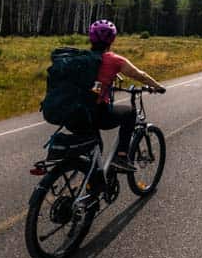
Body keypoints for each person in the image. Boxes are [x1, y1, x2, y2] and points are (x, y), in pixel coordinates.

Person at [71, 20, 166, 172]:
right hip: (96, 113)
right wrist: (158, 87)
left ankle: (92, 184)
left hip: (74, 112)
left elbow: (90, 83)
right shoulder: (114, 60)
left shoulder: (82, 58)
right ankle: (121, 156)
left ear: (91, 38)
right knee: (130, 113)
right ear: (112, 39)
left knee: (96, 148)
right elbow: (140, 75)